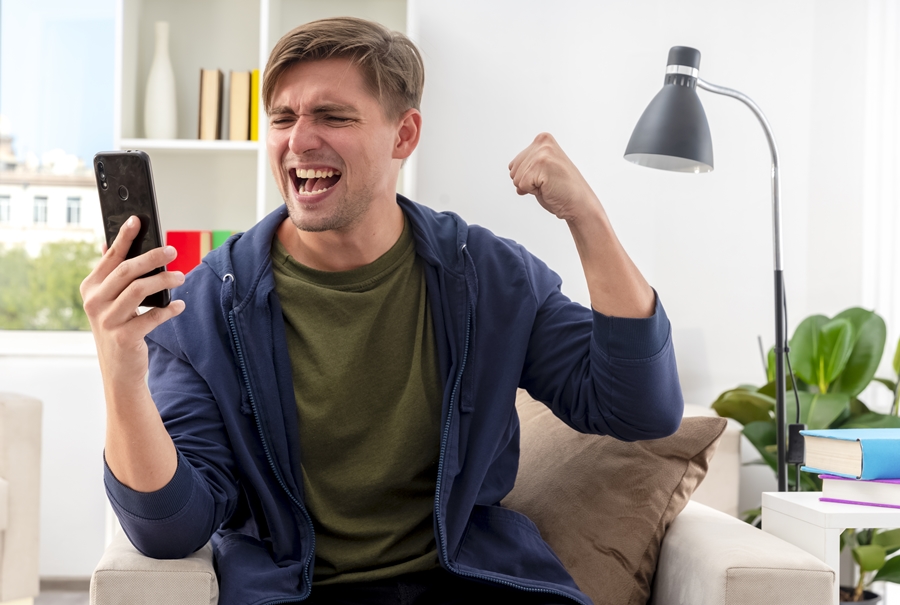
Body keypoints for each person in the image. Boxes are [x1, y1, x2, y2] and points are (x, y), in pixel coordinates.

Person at [81, 16, 683, 605]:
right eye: (283, 119)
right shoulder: (206, 305)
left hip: (470, 579)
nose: (299, 140)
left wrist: (588, 219)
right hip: (297, 590)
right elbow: (170, 528)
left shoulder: (488, 275)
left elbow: (640, 408)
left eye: (332, 117)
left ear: (404, 134)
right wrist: (120, 369)